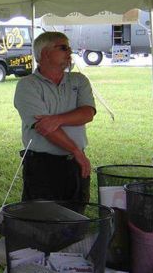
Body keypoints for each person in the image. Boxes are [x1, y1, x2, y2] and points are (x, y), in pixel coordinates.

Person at [13, 32, 96, 202]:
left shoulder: (79, 80)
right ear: (45, 53)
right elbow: (44, 128)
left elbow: (87, 113)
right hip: (42, 166)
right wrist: (76, 151)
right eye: (63, 48)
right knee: (42, 221)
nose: (69, 52)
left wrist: (57, 120)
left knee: (76, 218)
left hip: (76, 164)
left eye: (69, 48)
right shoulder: (27, 85)